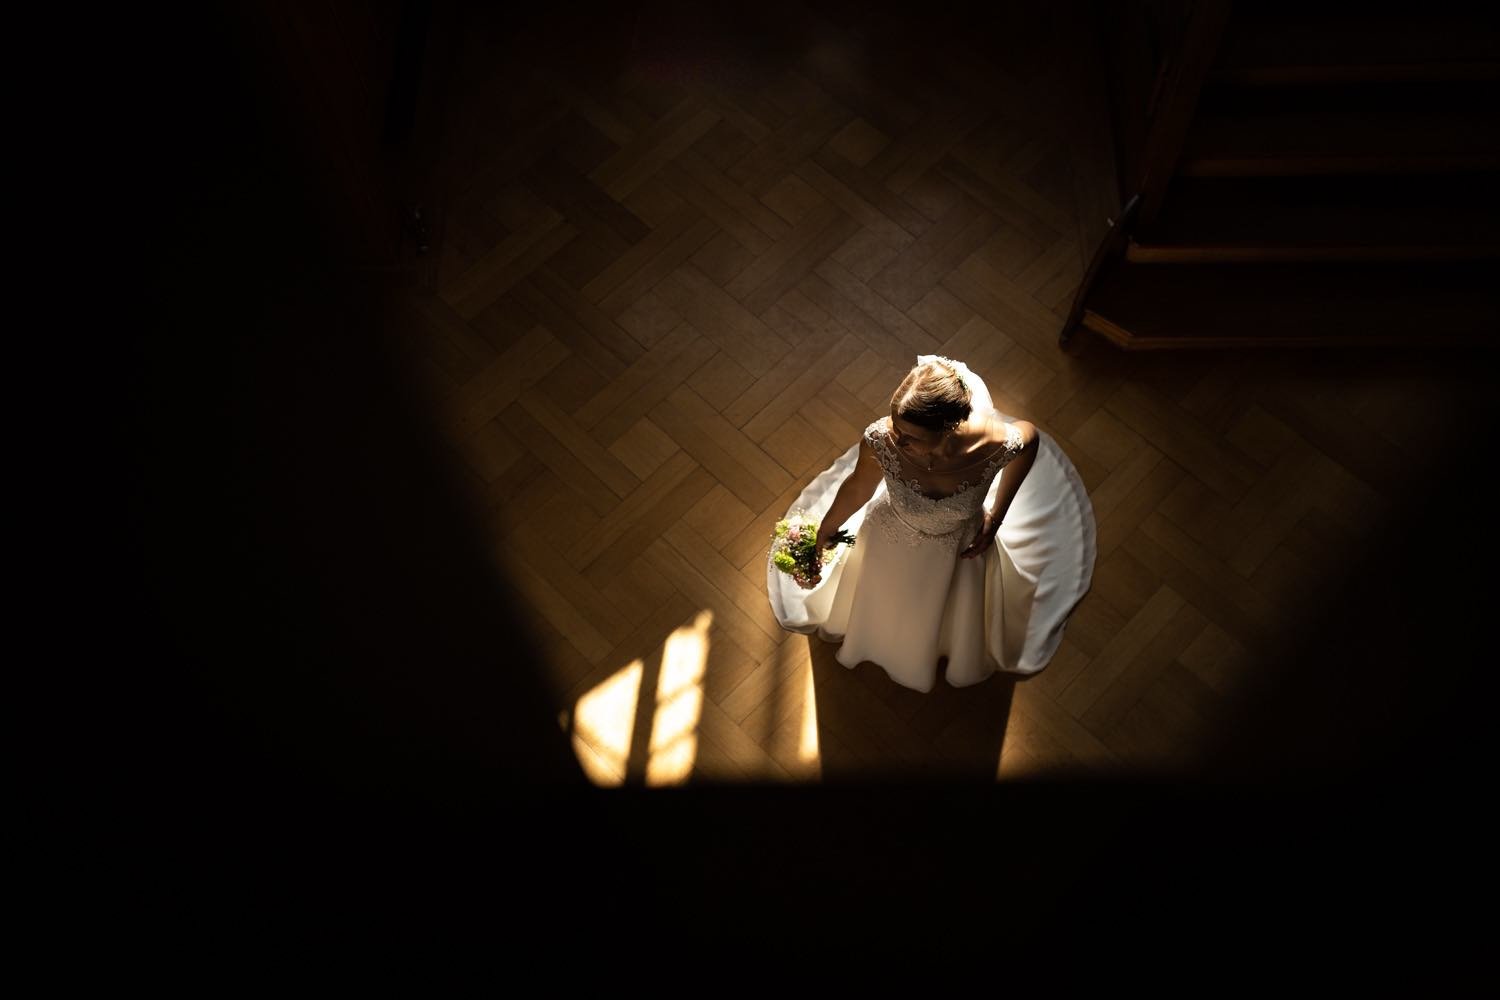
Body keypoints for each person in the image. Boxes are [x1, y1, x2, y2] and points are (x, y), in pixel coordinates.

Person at [766, 355, 1097, 692]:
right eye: (896, 426)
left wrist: (996, 518)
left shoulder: (994, 445)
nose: (897, 439)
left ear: (948, 429)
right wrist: (827, 529)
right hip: (887, 536)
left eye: (911, 436)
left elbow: (1030, 441)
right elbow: (858, 487)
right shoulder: (882, 440)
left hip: (957, 550)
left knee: (943, 612)